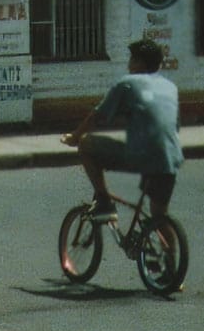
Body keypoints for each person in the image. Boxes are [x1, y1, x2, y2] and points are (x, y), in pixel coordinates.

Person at [61, 39, 183, 222]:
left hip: (141, 155)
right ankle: (171, 250)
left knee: (86, 144)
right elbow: (174, 124)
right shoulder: (170, 87)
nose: (128, 65)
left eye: (131, 60)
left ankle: (103, 200)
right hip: (171, 157)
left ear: (138, 62)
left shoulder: (127, 83)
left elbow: (98, 116)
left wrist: (74, 137)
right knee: (159, 217)